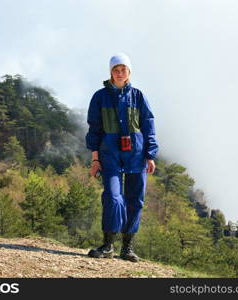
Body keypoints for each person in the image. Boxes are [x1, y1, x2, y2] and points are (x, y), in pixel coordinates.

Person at [85, 53, 159, 262]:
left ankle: (127, 247)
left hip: (136, 156)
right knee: (113, 197)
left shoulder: (138, 96)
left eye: (123, 69)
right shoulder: (100, 97)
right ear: (110, 72)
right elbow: (94, 129)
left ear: (129, 72)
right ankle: (108, 245)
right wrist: (95, 159)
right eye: (116, 70)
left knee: (135, 201)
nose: (119, 73)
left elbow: (148, 125)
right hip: (110, 156)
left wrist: (150, 155)